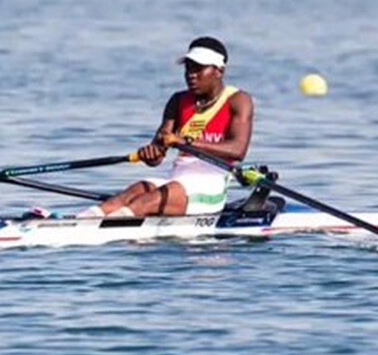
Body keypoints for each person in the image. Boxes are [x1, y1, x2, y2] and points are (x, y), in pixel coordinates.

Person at [83, 36, 254, 219]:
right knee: (134, 191)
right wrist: (151, 152)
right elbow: (157, 157)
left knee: (145, 202)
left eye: (198, 68)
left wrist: (186, 142)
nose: (191, 74)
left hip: (209, 187)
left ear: (219, 71)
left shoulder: (238, 100)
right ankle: (81, 220)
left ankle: (111, 227)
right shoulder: (178, 101)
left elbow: (238, 150)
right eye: (188, 68)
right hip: (176, 181)